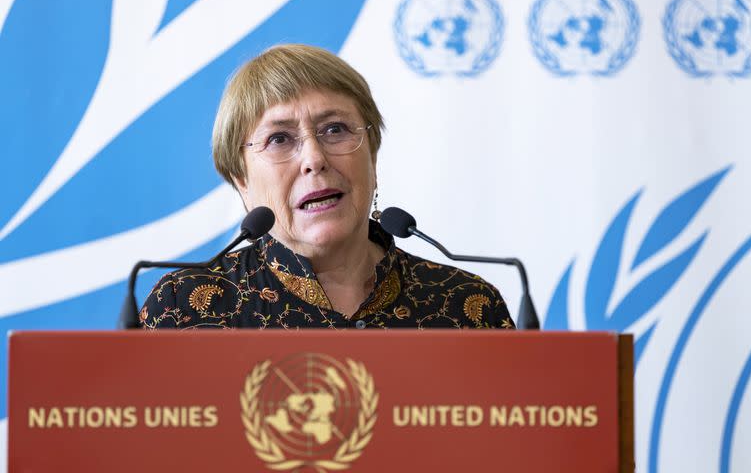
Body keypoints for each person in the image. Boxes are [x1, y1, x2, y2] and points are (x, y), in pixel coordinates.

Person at [140, 44, 515, 330]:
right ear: (241, 179)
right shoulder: (187, 308)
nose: (314, 159)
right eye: (279, 139)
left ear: (372, 156)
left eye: (334, 130)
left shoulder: (467, 306)